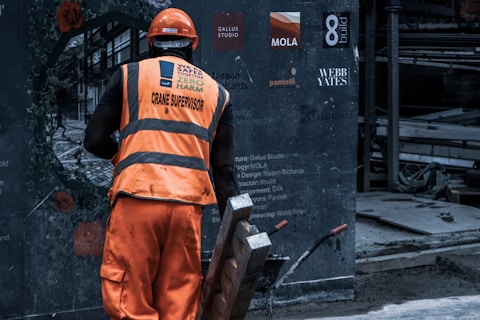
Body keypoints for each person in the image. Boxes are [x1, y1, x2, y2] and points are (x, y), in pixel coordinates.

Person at [83, 8, 240, 320]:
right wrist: (234, 233)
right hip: (186, 211)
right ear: (191, 46)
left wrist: (123, 157)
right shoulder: (217, 93)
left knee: (130, 302)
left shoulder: (130, 76)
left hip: (137, 201)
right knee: (178, 304)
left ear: (151, 44)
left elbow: (94, 139)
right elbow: (224, 173)